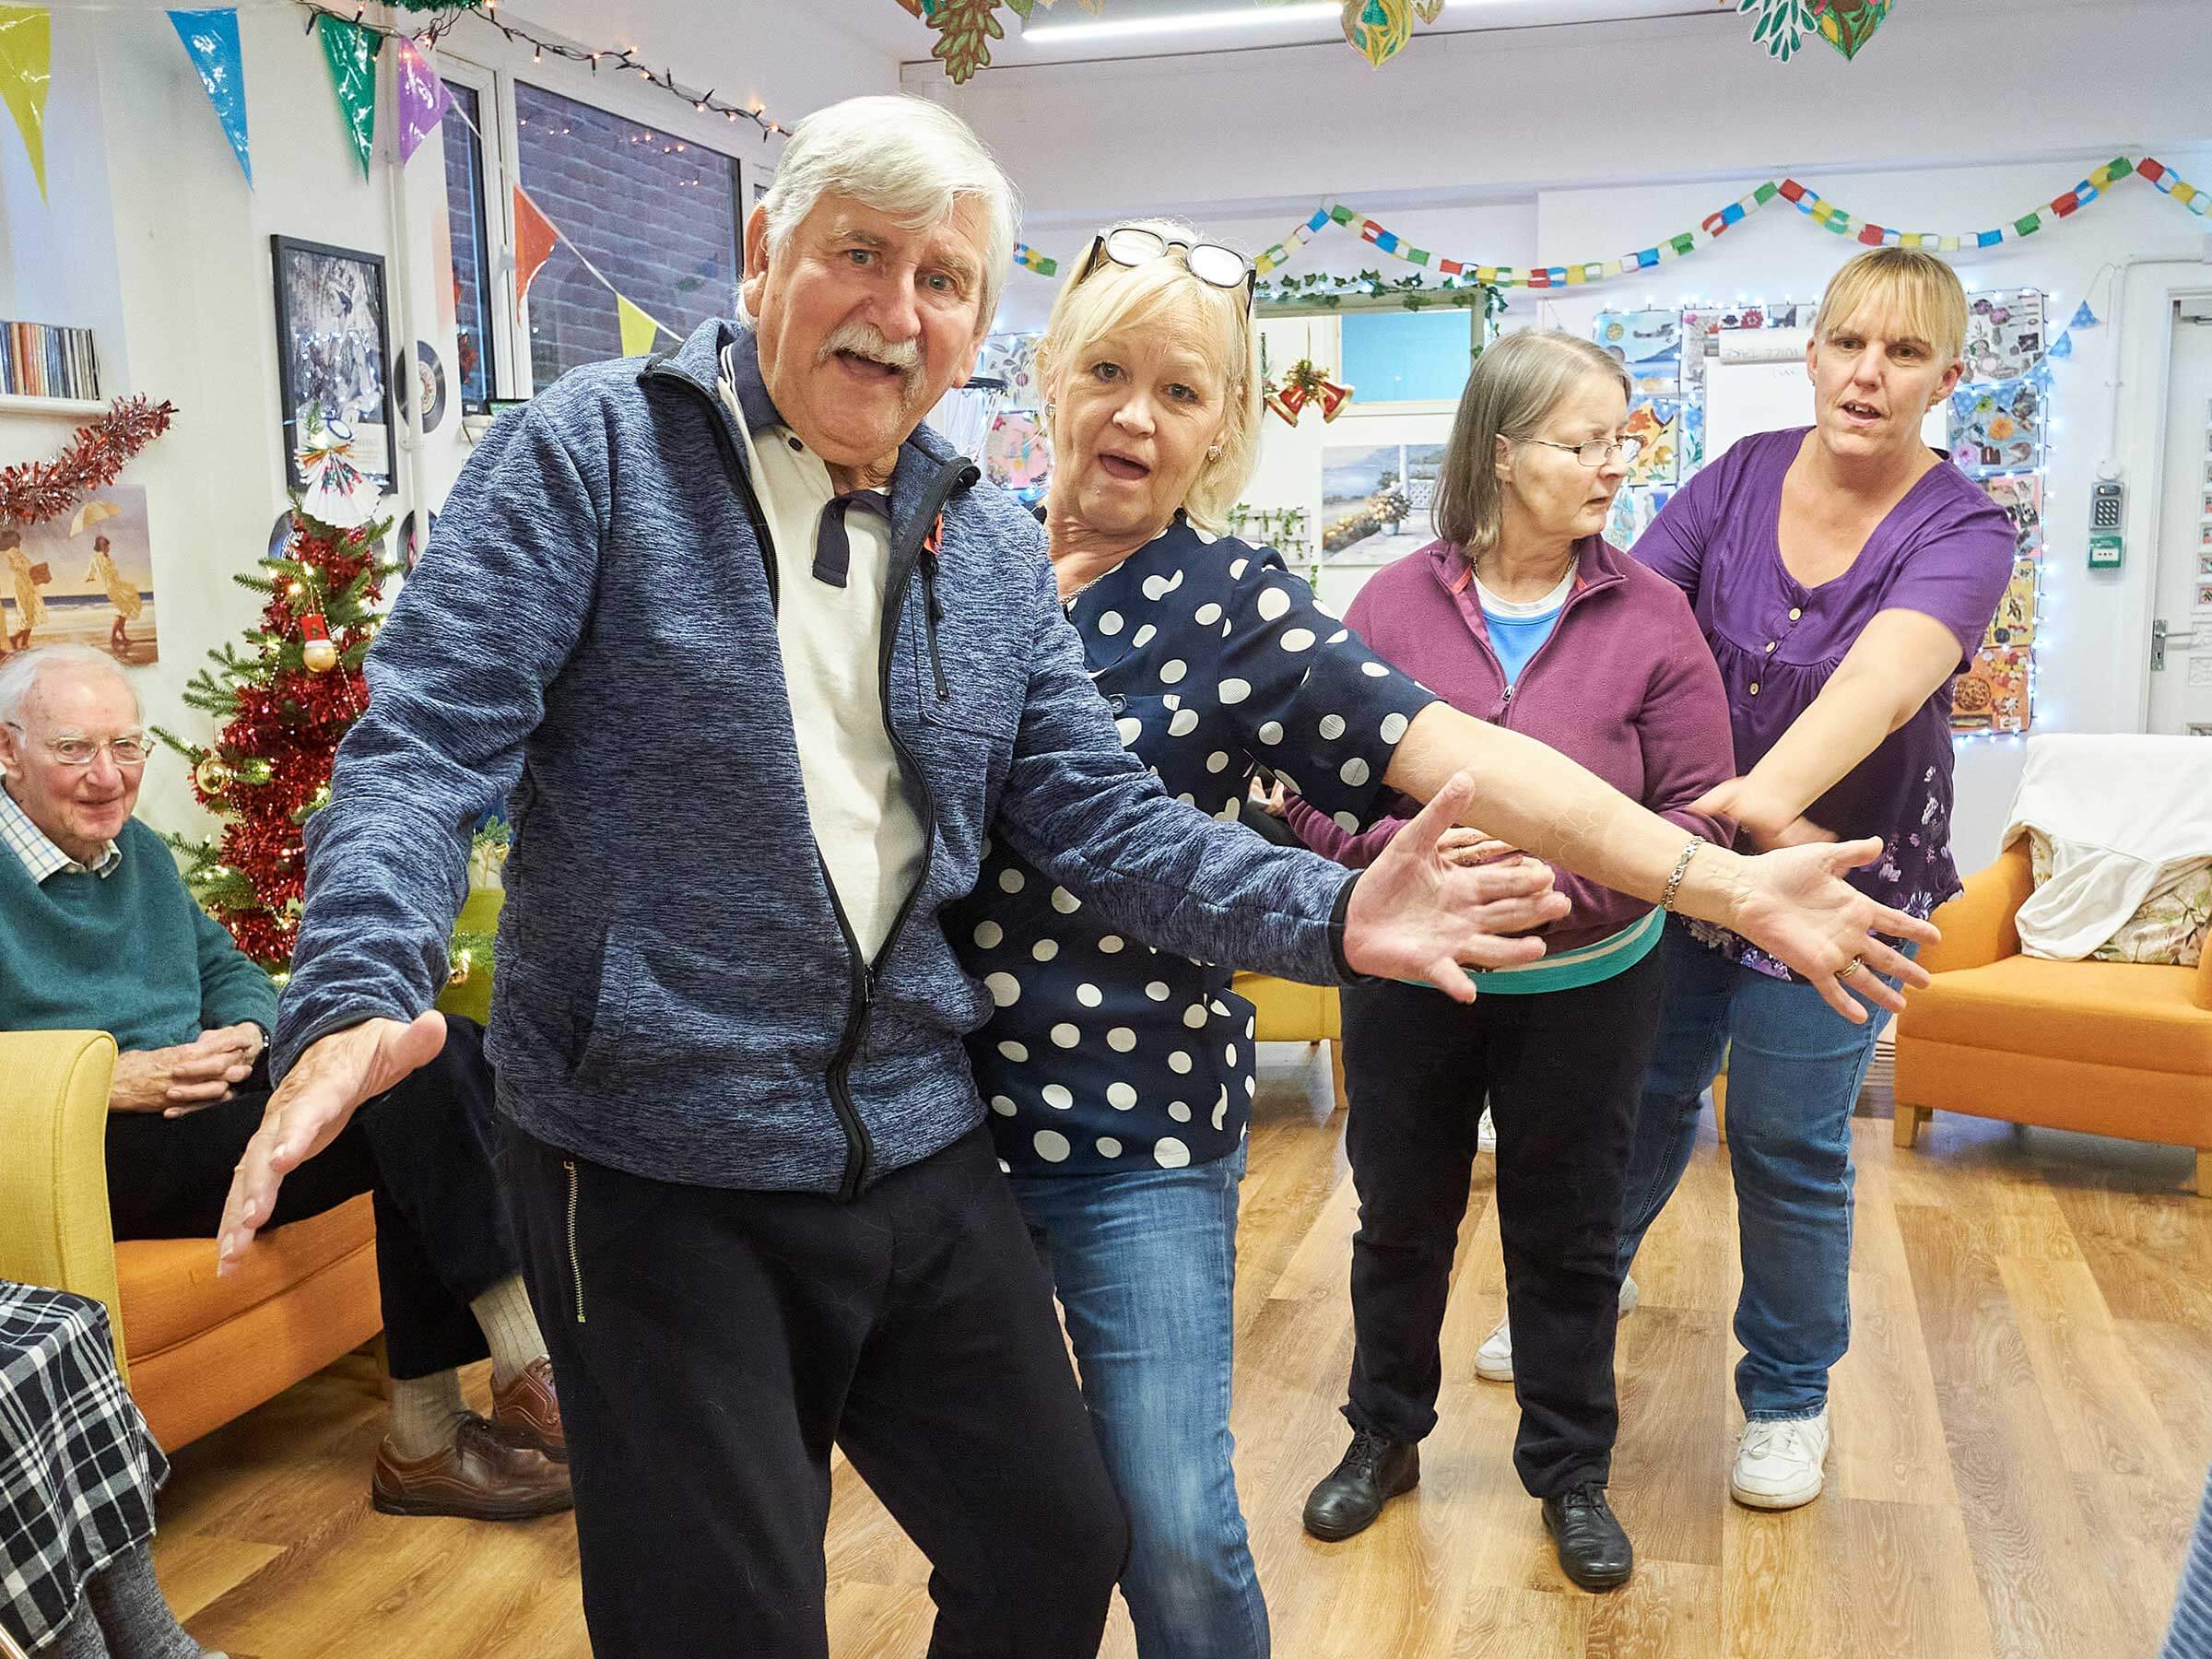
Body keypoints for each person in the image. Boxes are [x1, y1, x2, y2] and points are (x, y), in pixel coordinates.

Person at [207, 98, 1617, 1659]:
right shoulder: (591, 456)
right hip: (652, 1156)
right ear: (765, 258)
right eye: (858, 257)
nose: (897, 311)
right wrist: (354, 984)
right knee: (729, 1620)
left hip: (910, 1134)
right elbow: (425, 743)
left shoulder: (986, 547)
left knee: (1055, 1542)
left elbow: (1105, 821)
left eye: (943, 280)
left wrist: (1334, 907)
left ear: (975, 327)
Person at [956, 217, 1936, 1650]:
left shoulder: (1264, 611)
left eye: (1183, 390)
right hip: (930, 1107)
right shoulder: (949, 557)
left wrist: (1710, 886)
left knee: (1537, 1255)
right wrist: (1380, 880)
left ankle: (1567, 1470)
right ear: (1045, 376)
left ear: (1225, 423)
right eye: (1107, 369)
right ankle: (1384, 1435)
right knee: (1015, 1509)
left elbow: (1460, 751)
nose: (1135, 415)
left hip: (1169, 1102)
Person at [1277, 329, 1735, 1594]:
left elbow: (1701, 810)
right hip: (1415, 984)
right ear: (1502, 451)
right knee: (1401, 1219)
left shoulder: (1652, 616)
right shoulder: (1388, 604)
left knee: (1570, 1233)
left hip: (1591, 989)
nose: (1613, 468)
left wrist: (1561, 881)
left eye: (1621, 442)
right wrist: (1415, 874)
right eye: (1586, 442)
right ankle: (1383, 1437)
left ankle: (1572, 1472)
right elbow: (1316, 795)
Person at [1607, 246, 2013, 1512]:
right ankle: (1581, 1282)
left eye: (1903, 354)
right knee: (1643, 1094)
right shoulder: (1734, 478)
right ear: (1813, 351)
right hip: (1686, 860)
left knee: (1785, 1141)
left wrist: (1764, 816)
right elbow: (1632, 616)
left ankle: (1786, 1398)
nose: (1869, 375)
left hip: (1844, 887)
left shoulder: (1967, 528)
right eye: (1850, 343)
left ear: (1946, 378)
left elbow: (1880, 684)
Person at [0, 645, 568, 1523]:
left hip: (207, 1099)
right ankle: (509, 1379)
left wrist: (248, 1031)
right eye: (75, 749)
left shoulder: (136, 853)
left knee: (425, 1052)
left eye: (127, 746)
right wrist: (117, 1078)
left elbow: (225, 967)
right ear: (7, 750)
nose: (108, 776)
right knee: (397, 1099)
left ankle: (457, 1419)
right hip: (87, 1147)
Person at [85, 533, 143, 654]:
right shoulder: (98, 557)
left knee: (126, 608)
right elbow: (92, 568)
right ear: (101, 546)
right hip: (112, 587)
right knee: (122, 610)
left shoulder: (106, 557)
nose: (108, 548)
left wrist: (91, 576)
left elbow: (93, 570)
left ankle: (121, 636)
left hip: (116, 584)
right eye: (106, 546)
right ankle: (113, 637)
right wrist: (90, 576)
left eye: (108, 546)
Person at [6, 528, 45, 653]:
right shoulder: (11, 552)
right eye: (18, 540)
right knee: (27, 615)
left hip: (28, 585)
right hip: (23, 586)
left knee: (30, 615)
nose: (20, 542)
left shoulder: (17, 552)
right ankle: (16, 639)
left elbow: (27, 567)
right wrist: (34, 569)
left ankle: (23, 642)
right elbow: (22, 567)